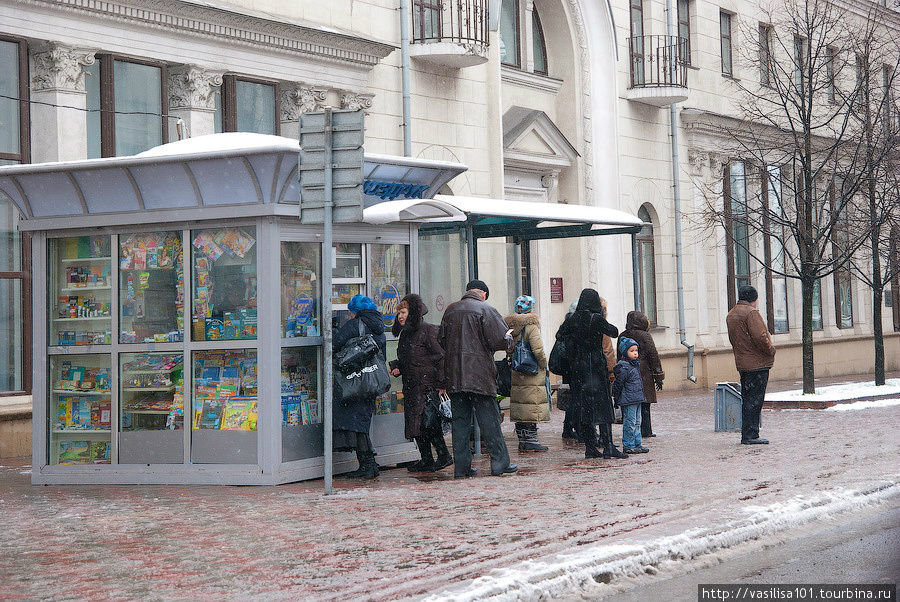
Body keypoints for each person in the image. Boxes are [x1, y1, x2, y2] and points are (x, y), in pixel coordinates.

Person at [439, 279, 517, 478]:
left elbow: (441, 340)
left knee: (460, 423)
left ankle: (462, 467)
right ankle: (499, 463)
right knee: (489, 420)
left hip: (455, 375)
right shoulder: (486, 309)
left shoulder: (450, 311)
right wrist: (509, 338)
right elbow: (500, 340)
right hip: (479, 375)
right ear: (483, 293)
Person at [557, 288, 627, 459]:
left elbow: (560, 335)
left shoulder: (573, 319)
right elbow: (614, 331)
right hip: (595, 367)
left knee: (585, 408)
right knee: (603, 406)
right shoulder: (596, 319)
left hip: (578, 369)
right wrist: (600, 317)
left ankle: (590, 448)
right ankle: (608, 446)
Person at [389, 294, 452, 472]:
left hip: (427, 387)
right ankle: (426, 459)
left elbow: (441, 358)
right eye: (398, 313)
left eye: (403, 312)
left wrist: (441, 383)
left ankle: (444, 455)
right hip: (411, 386)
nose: (400, 316)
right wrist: (397, 366)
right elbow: (408, 358)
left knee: (428, 423)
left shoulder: (428, 330)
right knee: (415, 426)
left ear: (413, 312)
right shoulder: (406, 334)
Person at [333, 294, 386, 479]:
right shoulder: (378, 326)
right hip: (371, 381)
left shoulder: (354, 325)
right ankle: (368, 463)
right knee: (361, 421)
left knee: (356, 424)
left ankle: (368, 465)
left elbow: (335, 344)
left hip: (355, 381)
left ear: (354, 311)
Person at [725, 285, 776, 445]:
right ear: (754, 299)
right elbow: (760, 337)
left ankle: (747, 433)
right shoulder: (751, 313)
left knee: (747, 399)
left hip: (743, 362)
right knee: (755, 399)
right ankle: (751, 434)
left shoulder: (732, 313)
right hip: (757, 363)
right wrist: (771, 350)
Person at [504, 295, 549, 453]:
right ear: (531, 308)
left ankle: (522, 440)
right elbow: (538, 350)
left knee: (520, 405)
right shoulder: (531, 326)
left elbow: (508, 348)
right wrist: (544, 365)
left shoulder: (510, 327)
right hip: (531, 371)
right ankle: (531, 440)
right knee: (531, 404)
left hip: (517, 370)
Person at [619, 310, 665, 438]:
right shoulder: (645, 336)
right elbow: (653, 356)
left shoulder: (622, 335)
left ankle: (631, 430)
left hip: (627, 372)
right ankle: (646, 430)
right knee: (645, 404)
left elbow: (619, 356)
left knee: (630, 404)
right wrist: (658, 376)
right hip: (643, 373)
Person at [614, 337, 649, 454]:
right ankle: (628, 445)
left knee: (638, 422)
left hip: (637, 398)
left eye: (636, 351)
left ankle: (637, 444)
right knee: (630, 422)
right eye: (632, 351)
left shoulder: (635, 365)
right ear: (625, 352)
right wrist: (616, 398)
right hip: (629, 400)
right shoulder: (623, 367)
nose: (635, 353)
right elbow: (618, 384)